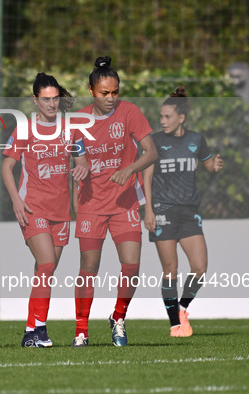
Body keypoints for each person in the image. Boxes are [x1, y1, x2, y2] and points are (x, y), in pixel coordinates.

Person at [72, 56, 158, 347]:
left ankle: (118, 318)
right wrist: (81, 165)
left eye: (115, 92)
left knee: (132, 266)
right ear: (91, 90)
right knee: (89, 268)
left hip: (125, 204)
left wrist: (129, 169)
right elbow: (79, 154)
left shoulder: (130, 112)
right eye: (104, 93)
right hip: (91, 204)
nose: (110, 98)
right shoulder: (78, 121)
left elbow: (151, 152)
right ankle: (81, 331)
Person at [2, 73, 89, 347]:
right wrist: (16, 199)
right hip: (32, 207)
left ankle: (31, 332)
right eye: (46, 100)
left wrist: (83, 167)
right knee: (47, 264)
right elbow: (6, 167)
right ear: (35, 100)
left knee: (44, 270)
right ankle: (39, 329)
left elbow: (82, 160)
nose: (52, 105)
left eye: (55, 99)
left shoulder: (72, 129)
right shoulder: (25, 129)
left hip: (61, 211)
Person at [143, 87, 224, 337]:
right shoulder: (155, 141)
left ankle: (182, 308)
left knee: (200, 267)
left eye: (168, 116)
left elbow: (208, 163)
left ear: (181, 117)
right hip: (162, 211)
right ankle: (175, 324)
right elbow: (145, 177)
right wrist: (148, 209)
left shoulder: (196, 140)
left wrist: (215, 165)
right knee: (171, 270)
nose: (163, 121)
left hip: (189, 213)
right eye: (161, 117)